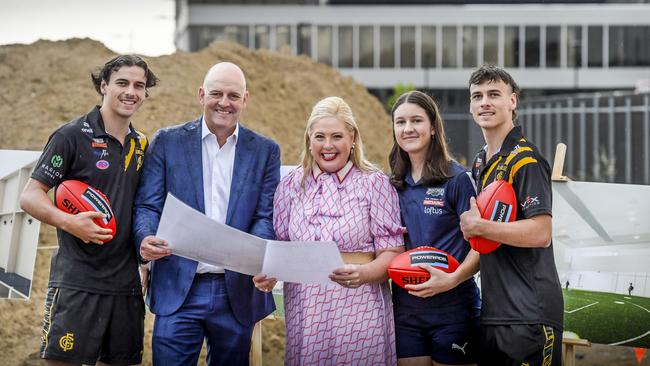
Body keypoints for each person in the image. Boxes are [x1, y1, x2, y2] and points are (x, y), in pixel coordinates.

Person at [132, 62, 279, 365]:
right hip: (178, 287)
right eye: (216, 93)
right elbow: (148, 205)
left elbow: (265, 216)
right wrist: (145, 238)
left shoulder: (265, 151)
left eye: (233, 96)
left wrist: (258, 257)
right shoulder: (167, 141)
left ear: (245, 100)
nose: (224, 102)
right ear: (201, 95)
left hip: (237, 290)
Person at [19, 55, 158, 366]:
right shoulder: (71, 136)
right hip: (78, 279)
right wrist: (70, 222)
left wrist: (145, 262)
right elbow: (30, 196)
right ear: (104, 85)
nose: (131, 92)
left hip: (126, 283)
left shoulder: (142, 144)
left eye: (139, 85)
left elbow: (143, 207)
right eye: (122, 83)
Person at [253, 96, 405, 365]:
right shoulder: (290, 186)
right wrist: (269, 274)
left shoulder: (375, 183)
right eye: (320, 137)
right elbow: (281, 247)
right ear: (308, 140)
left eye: (337, 136)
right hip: (306, 306)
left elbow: (393, 252)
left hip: (359, 304)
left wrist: (363, 273)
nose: (328, 145)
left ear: (352, 138)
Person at [459, 65, 563, 366]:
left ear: (512, 102)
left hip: (530, 315)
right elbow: (486, 243)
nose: (484, 102)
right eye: (477, 96)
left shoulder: (525, 160)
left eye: (494, 94)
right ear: (470, 105)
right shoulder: (481, 162)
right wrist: (451, 279)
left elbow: (541, 233)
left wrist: (480, 225)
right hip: (494, 313)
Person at [389, 90, 481, 366]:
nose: (408, 129)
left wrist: (453, 279)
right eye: (400, 122)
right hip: (406, 312)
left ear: (432, 127)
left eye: (416, 121)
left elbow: (482, 246)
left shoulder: (458, 179)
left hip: (454, 310)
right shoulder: (391, 183)